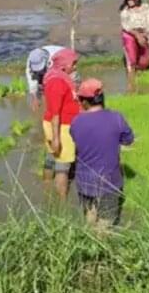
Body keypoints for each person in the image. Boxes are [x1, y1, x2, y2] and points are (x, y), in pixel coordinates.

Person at [70, 78, 135, 228]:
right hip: (109, 181)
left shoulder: (76, 122)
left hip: (84, 181)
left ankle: (90, 239)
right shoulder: (116, 118)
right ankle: (102, 239)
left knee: (89, 218)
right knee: (106, 222)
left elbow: (77, 142)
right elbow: (129, 140)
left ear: (84, 102)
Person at [42, 48, 80, 201]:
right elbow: (56, 114)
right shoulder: (57, 82)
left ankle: (46, 188)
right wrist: (57, 138)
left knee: (51, 157)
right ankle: (62, 202)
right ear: (63, 66)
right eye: (73, 64)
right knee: (63, 166)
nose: (75, 67)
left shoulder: (57, 76)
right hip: (61, 126)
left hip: (55, 124)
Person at [120, 0, 149, 91]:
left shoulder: (146, 8)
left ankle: (140, 64)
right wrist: (137, 35)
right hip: (130, 34)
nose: (129, 1)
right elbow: (126, 26)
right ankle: (131, 80)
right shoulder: (125, 11)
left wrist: (145, 36)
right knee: (132, 62)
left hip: (143, 33)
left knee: (145, 64)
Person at [24, 44, 65, 113]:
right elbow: (31, 79)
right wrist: (34, 97)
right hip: (49, 66)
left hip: (64, 61)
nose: (38, 70)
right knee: (41, 86)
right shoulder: (31, 60)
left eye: (40, 67)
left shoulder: (55, 57)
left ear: (45, 60)